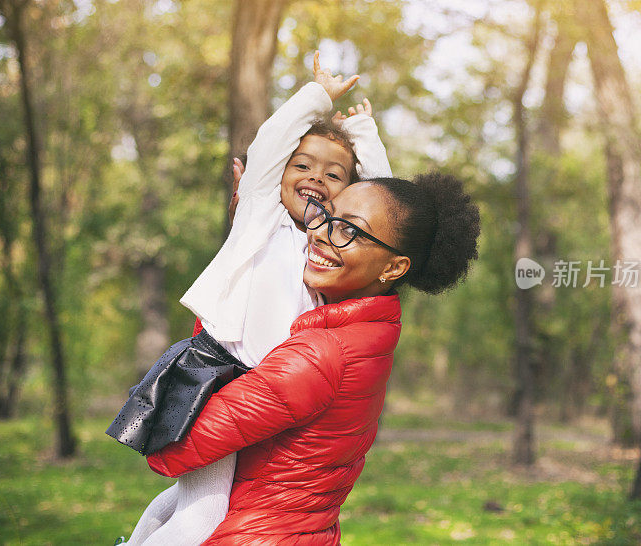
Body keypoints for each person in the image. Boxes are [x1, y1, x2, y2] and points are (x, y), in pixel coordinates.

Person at [119, 53, 392, 545]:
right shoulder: (260, 213)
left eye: (334, 175)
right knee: (202, 514)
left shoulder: (324, 246)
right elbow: (268, 146)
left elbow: (383, 202)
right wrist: (316, 99)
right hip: (217, 372)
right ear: (277, 174)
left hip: (264, 386)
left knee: (194, 502)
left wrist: (366, 134)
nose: (315, 178)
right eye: (302, 165)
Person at [146, 173, 481, 543]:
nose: (320, 232)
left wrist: (231, 304)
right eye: (326, 214)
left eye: (349, 230)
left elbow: (171, 450)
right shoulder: (371, 335)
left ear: (393, 268)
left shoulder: (321, 354)